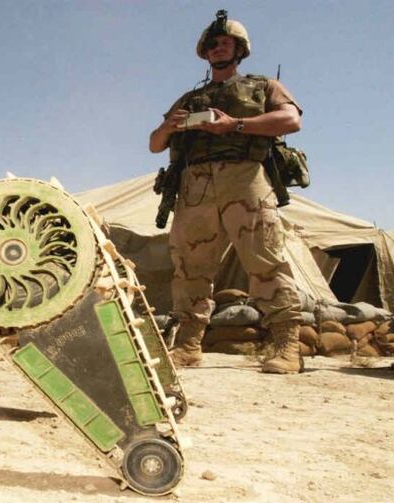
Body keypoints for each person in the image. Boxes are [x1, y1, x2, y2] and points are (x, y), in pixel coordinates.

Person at [149, 10, 304, 374]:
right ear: (205, 52)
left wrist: (235, 125)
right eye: (213, 44)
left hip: (244, 177)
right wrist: (169, 127)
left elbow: (291, 120)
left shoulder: (263, 86)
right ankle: (188, 346)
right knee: (190, 267)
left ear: (239, 50)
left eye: (226, 43)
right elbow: (155, 144)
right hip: (195, 185)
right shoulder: (190, 98)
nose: (219, 48)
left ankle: (287, 345)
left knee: (264, 258)